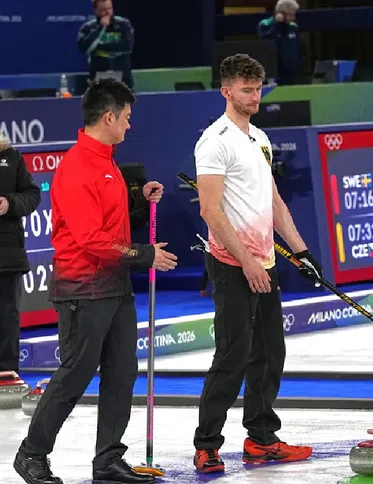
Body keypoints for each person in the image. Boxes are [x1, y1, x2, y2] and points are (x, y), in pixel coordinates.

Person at [14, 78, 177, 484]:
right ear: (108, 117)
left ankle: (107, 459)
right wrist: (145, 255)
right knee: (75, 374)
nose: (129, 125)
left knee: (121, 373)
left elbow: (109, 222)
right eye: (126, 117)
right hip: (83, 289)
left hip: (114, 286)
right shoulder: (77, 167)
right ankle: (31, 454)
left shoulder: (107, 163)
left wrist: (138, 200)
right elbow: (90, 239)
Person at [192, 53, 322, 473]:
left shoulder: (260, 139)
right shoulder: (214, 141)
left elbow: (275, 202)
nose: (254, 96)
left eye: (258, 88)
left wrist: (301, 252)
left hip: (264, 262)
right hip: (232, 264)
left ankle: (262, 439)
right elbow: (210, 211)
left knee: (269, 354)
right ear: (226, 91)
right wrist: (246, 261)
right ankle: (207, 444)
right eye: (246, 90)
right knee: (232, 356)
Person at [0, 137, 40, 379]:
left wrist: (10, 203)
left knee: (7, 319)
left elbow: (33, 196)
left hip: (7, 256)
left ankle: (6, 380)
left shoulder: (11, 156)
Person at [77, 0, 135, 90]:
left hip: (123, 81)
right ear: (95, 10)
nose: (108, 12)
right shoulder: (88, 28)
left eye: (109, 8)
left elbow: (127, 46)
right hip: (99, 82)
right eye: (103, 10)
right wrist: (101, 27)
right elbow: (84, 48)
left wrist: (99, 47)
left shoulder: (123, 24)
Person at [257, 0, 302, 85]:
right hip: (273, 72)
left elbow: (298, 49)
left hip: (291, 73)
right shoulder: (265, 24)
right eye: (290, 15)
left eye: (294, 15)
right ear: (281, 14)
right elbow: (264, 39)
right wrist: (277, 25)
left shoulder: (294, 27)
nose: (293, 18)